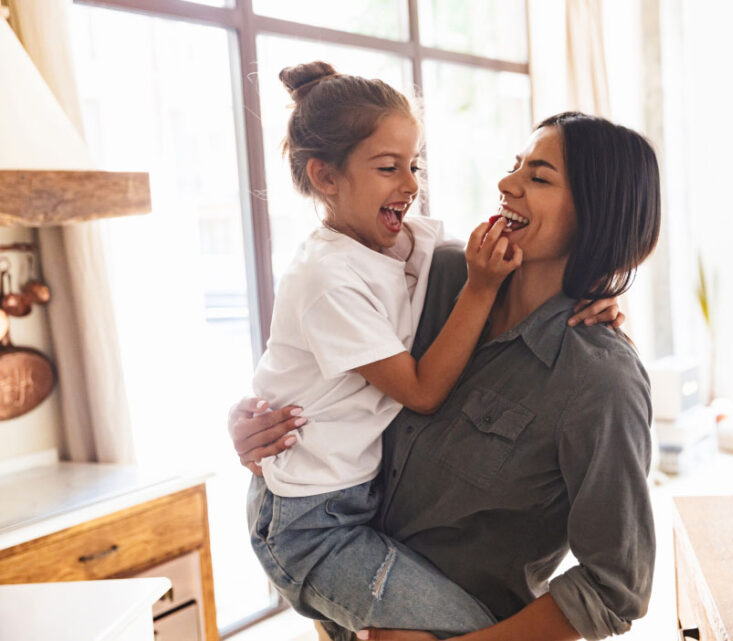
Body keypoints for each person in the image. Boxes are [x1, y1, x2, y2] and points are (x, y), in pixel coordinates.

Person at [232, 110, 660, 641]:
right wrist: (253, 417)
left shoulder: (600, 380)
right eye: (515, 165)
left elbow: (615, 589)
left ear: (597, 214)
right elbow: (319, 326)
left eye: (538, 177)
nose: (506, 184)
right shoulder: (438, 275)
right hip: (338, 602)